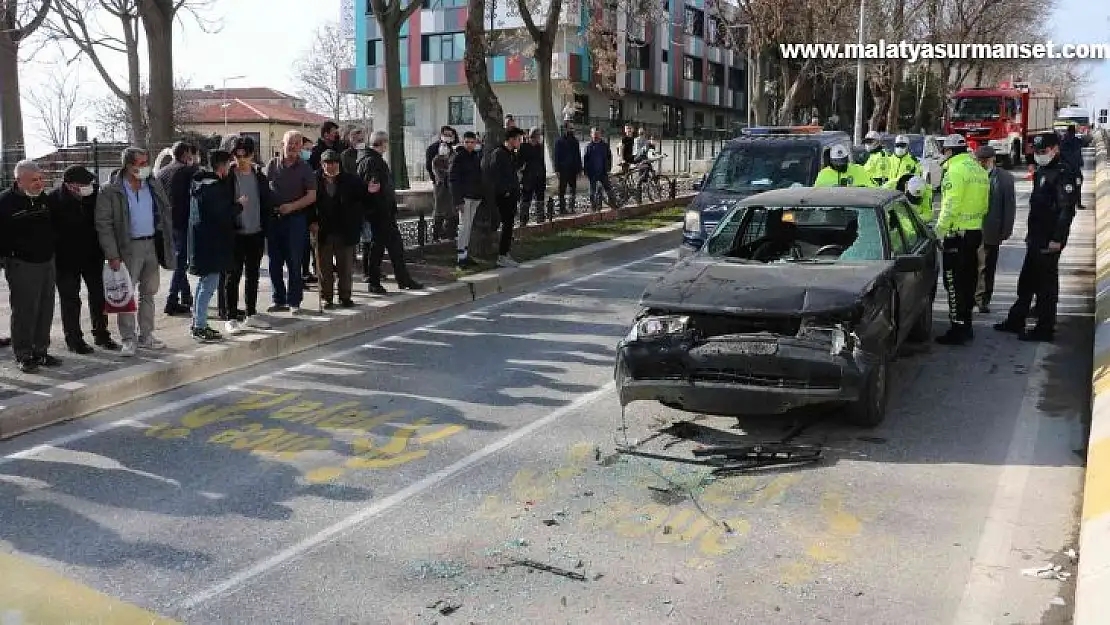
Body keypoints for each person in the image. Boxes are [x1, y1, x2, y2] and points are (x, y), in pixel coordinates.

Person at [995, 132, 1079, 342]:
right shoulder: (1043, 171)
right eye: (1037, 152)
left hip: (1049, 238)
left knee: (1045, 286)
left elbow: (1066, 210)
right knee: (1027, 281)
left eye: (1044, 151)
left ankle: (1045, 328)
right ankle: (1016, 320)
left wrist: (1057, 239)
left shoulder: (1063, 174)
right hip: (1036, 236)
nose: (1040, 155)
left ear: (1055, 149)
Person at [96, 147, 176, 357]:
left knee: (148, 293)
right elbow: (103, 224)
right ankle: (128, 339)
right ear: (128, 165)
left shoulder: (152, 183)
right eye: (140, 164)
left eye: (146, 163)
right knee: (126, 295)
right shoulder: (110, 190)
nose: (145, 167)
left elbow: (165, 209)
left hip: (151, 244)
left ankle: (146, 335)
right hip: (127, 248)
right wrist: (112, 254)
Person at [49, 165, 119, 354]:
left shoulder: (95, 196)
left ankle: (102, 334)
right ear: (70, 185)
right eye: (84, 184)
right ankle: (74, 339)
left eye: (90, 182)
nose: (89, 186)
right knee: (70, 300)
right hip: (65, 260)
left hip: (92, 256)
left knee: (98, 297)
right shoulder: (53, 200)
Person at [0, 160, 60, 373]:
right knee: (25, 311)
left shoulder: (45, 199)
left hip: (47, 262)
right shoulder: (5, 203)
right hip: (22, 264)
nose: (39, 183)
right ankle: (24, 354)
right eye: (34, 180)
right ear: (19, 181)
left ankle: (41, 351)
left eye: (41, 178)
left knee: (46, 309)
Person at [933, 133, 990, 345]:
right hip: (974, 233)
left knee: (954, 284)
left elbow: (950, 205)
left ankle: (957, 328)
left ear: (949, 151)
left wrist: (939, 231)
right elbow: (985, 205)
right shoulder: (978, 169)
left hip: (956, 235)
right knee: (968, 282)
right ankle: (967, 325)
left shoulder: (954, 171)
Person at [358, 130, 424, 293]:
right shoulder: (373, 161)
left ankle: (402, 279)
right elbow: (373, 187)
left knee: (391, 247)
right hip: (380, 212)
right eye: (386, 143)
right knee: (381, 248)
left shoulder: (369, 159)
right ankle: (377, 281)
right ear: (383, 143)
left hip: (380, 212)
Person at [187, 150, 242, 342]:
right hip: (212, 244)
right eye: (229, 165)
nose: (230, 168)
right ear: (222, 166)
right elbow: (222, 215)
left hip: (201, 243)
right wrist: (239, 206)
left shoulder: (198, 184)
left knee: (203, 284)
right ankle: (200, 326)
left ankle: (197, 322)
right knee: (208, 285)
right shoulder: (214, 187)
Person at [223, 136, 273, 334]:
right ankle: (231, 317)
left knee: (253, 276)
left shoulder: (259, 176)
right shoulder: (227, 177)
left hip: (256, 232)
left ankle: (250, 314)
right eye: (237, 154)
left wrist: (266, 226)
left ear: (252, 155)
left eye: (246, 154)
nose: (241, 159)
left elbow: (266, 202)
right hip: (235, 234)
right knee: (232, 276)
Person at [264, 130, 318, 315]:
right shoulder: (272, 165)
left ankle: (295, 301)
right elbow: (263, 189)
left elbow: (312, 195)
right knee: (274, 263)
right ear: (282, 144)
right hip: (274, 220)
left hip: (295, 220)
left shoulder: (305, 168)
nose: (293, 146)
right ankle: (279, 299)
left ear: (301, 147)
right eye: (290, 142)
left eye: (297, 143)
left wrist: (292, 207)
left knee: (294, 262)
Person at [312, 149, 367, 308]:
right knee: (324, 268)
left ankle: (345, 296)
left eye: (334, 163)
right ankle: (326, 297)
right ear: (322, 164)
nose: (331, 166)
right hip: (323, 230)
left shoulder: (351, 180)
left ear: (339, 164)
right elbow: (309, 204)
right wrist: (312, 221)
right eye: (327, 163)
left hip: (345, 230)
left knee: (345, 267)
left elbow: (362, 199)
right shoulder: (314, 180)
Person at [156, 141, 199, 316]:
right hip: (182, 221)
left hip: (165, 223)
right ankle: (172, 299)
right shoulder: (187, 171)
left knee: (177, 260)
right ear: (186, 154)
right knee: (181, 262)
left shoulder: (161, 172)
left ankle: (186, 295)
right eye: (190, 154)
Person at [973, 145, 1016, 314]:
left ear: (993, 160)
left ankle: (982, 300)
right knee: (971, 265)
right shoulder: (972, 176)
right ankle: (971, 297)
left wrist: (1006, 230)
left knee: (986, 267)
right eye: (980, 160)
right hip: (971, 228)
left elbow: (1009, 207)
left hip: (991, 229)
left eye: (985, 160)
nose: (982, 163)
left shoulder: (1005, 178)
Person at [484, 127, 525, 267]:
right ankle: (501, 255)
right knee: (506, 225)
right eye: (519, 140)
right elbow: (495, 175)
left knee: (509, 226)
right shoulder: (499, 153)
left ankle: (505, 252)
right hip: (503, 196)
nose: (520, 142)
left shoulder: (511, 154)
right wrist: (505, 191)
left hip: (512, 194)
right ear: (512, 140)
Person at [448, 131, 484, 269]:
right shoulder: (458, 157)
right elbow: (453, 179)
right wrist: (457, 200)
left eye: (472, 142)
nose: (470, 145)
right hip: (464, 197)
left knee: (469, 226)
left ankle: (465, 254)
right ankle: (460, 257)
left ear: (475, 143)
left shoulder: (475, 156)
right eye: (467, 142)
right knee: (463, 226)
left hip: (475, 196)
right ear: (463, 142)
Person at [427, 126, 458, 241]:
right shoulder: (434, 150)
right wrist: (435, 179)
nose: (448, 137)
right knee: (439, 210)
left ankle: (451, 234)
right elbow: (432, 167)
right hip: (440, 185)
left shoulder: (454, 151)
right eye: (446, 134)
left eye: (450, 135)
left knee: (452, 211)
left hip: (452, 186)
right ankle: (436, 236)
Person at [517, 128, 546, 227]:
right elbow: (519, 163)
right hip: (528, 178)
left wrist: (543, 177)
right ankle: (523, 220)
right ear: (533, 136)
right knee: (526, 199)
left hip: (539, 177)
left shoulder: (540, 147)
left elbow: (542, 163)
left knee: (540, 199)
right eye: (538, 136)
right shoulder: (524, 147)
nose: (539, 138)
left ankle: (540, 218)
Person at [584, 127, 617, 211]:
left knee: (608, 189)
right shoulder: (588, 146)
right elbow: (585, 160)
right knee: (592, 191)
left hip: (603, 172)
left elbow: (610, 157)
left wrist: (608, 169)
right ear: (591, 135)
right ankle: (594, 207)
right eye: (594, 133)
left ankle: (613, 204)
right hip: (592, 173)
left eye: (597, 133)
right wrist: (586, 172)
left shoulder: (605, 146)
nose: (596, 135)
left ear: (600, 134)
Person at [554, 124, 583, 215]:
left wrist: (579, 169)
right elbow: (556, 156)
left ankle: (571, 207)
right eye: (570, 128)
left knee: (573, 189)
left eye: (573, 128)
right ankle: (562, 209)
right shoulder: (559, 141)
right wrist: (557, 169)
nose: (572, 130)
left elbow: (578, 156)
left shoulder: (575, 141)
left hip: (573, 170)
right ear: (565, 129)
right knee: (562, 190)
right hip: (563, 170)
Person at [1059, 124, 1085, 209]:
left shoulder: (1062, 141)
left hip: (1065, 168)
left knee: (1064, 185)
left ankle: (1065, 201)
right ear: (1074, 131)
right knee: (1078, 184)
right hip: (1076, 168)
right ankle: (1078, 203)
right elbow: (1084, 142)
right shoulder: (1077, 140)